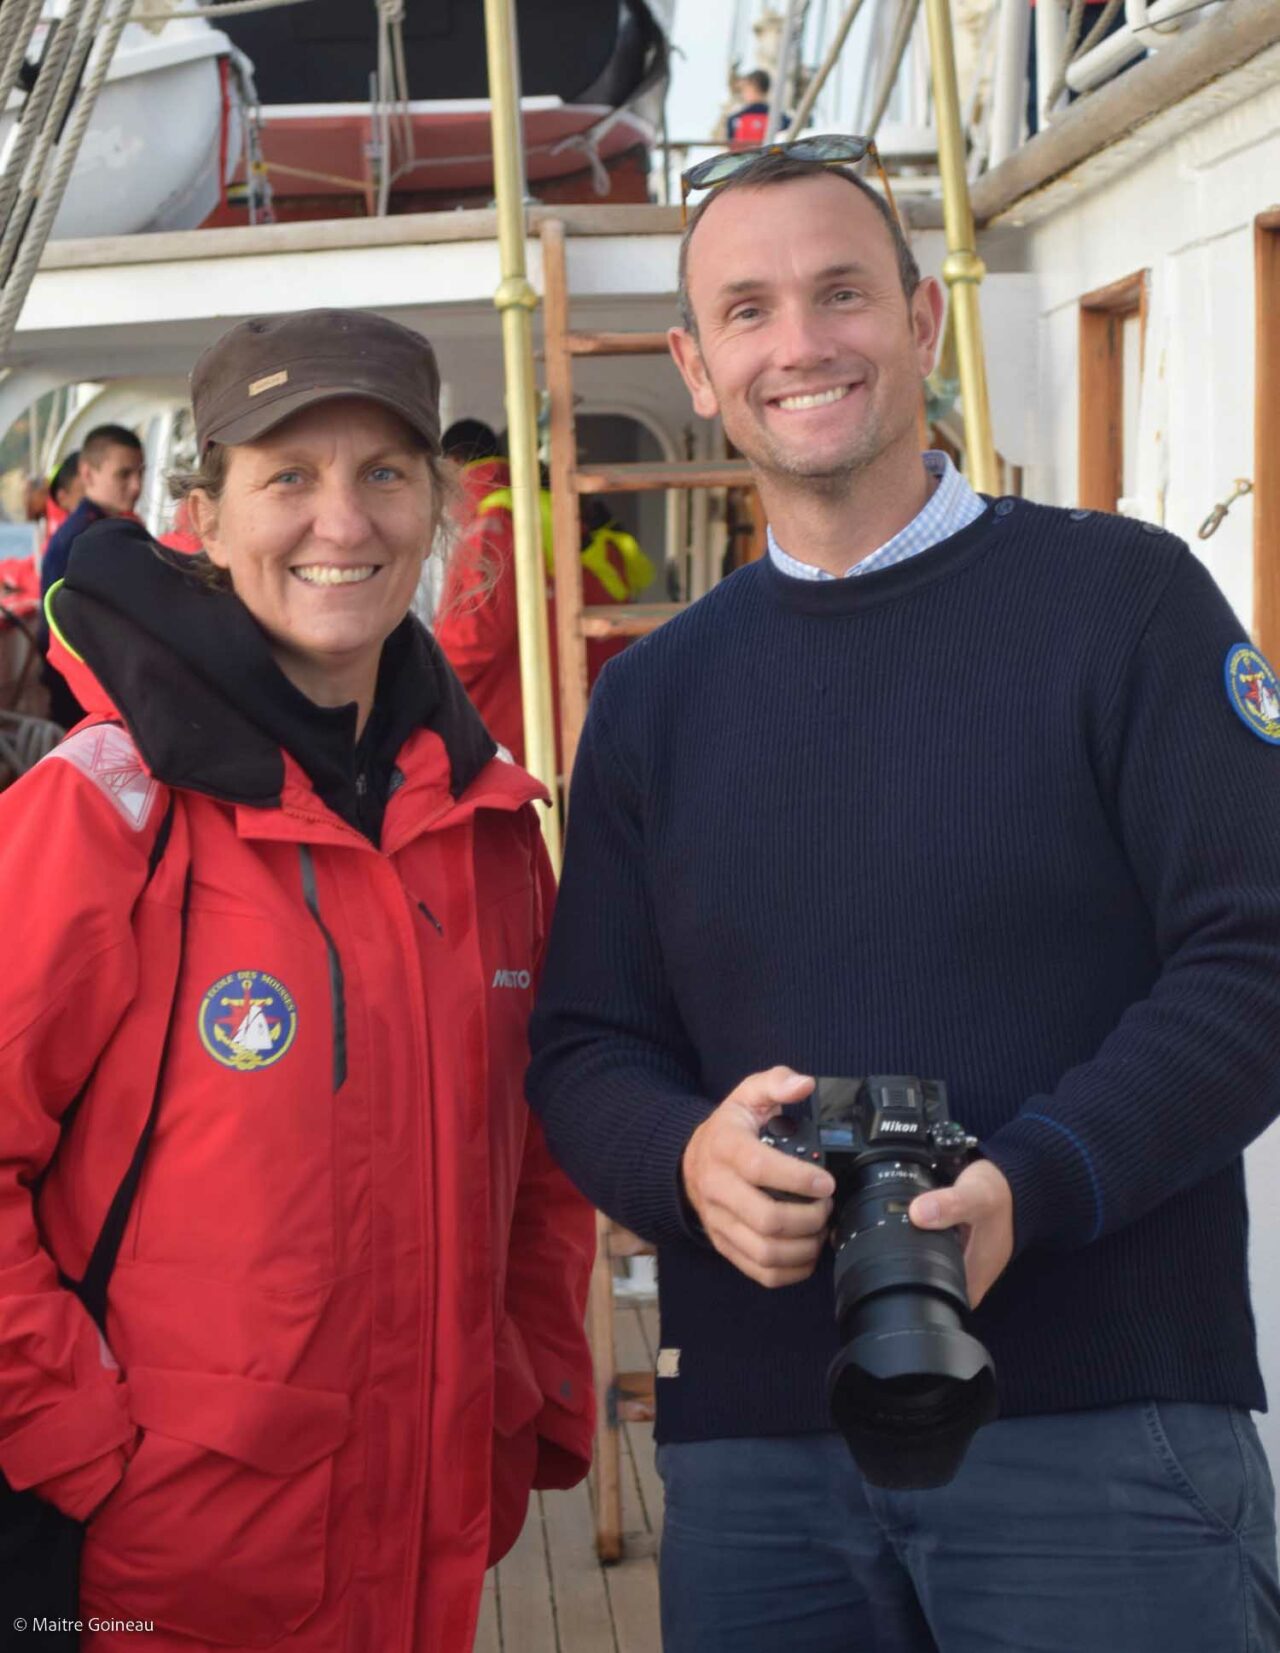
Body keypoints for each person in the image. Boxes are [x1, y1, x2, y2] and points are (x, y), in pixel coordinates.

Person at [526, 145, 1280, 1653]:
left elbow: (1255, 958)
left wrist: (1032, 1183)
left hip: (1102, 1423)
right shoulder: (654, 700)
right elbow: (583, 1045)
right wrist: (688, 1160)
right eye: (748, 310)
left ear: (925, 320)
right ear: (695, 363)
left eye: (842, 293)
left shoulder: (1123, 604)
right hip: (753, 1453)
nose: (798, 343)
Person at [0, 309, 594, 1652]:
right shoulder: (102, 814)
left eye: (385, 472)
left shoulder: (490, 828)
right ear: (202, 517)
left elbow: (537, 1157)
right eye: (289, 477)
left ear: (438, 507)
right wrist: (82, 1446)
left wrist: (525, 1384)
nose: (345, 519)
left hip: (425, 1539)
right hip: (166, 1568)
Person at [434, 424, 653, 766]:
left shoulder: (495, 520)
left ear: (455, 463)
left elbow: (477, 636)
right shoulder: (566, 516)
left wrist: (428, 675)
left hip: (509, 726)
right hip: (578, 719)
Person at [38, 425, 145, 728]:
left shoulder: (105, 530)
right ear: (88, 475)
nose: (136, 486)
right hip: (88, 695)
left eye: (140, 473)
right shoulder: (86, 540)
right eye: (124, 475)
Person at [726, 68, 787, 147]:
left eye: (745, 88)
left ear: (753, 87)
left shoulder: (735, 119)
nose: (743, 93)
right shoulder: (782, 118)